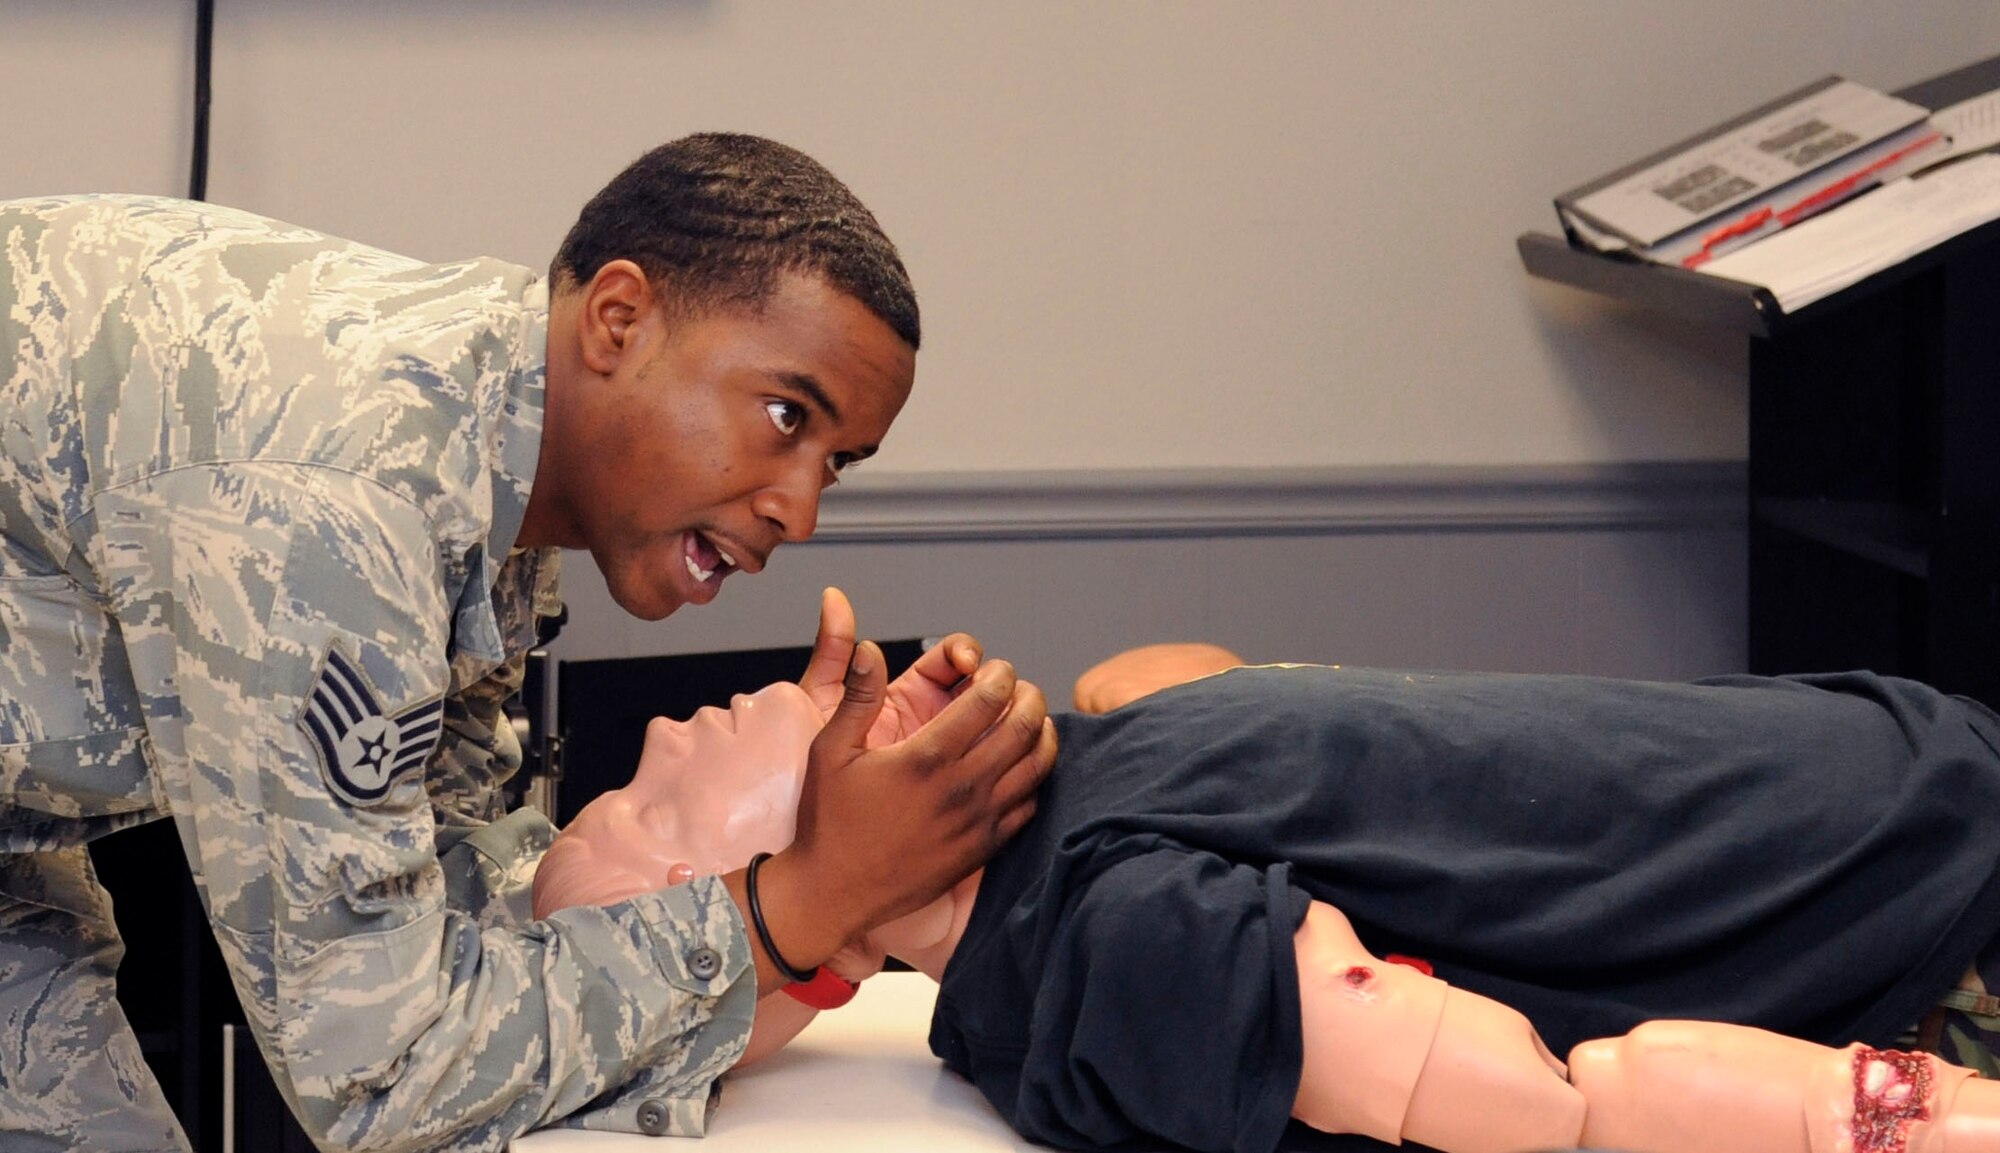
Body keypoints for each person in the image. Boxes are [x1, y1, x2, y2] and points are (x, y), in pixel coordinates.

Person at [0, 136, 1057, 1152]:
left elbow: (458, 881)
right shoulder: (341, 504)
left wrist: (830, 898)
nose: (800, 510)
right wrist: (801, 902)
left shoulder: (488, 442)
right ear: (618, 319)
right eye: (786, 415)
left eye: (838, 462)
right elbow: (382, 1075)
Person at [537, 623, 2000, 1153]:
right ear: (767, 918)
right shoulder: (1103, 943)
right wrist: (1882, 1118)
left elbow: (1259, 725)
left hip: (1917, 768)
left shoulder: (1086, 759)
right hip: (1938, 926)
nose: (667, 728)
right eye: (652, 803)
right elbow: (1567, 1104)